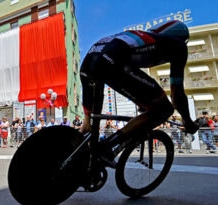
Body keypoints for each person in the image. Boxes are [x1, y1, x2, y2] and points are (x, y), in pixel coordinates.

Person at [79, 20, 198, 152]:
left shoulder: (142, 37)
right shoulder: (178, 45)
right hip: (111, 61)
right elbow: (177, 94)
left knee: (90, 125)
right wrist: (187, 121)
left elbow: (134, 82)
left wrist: (143, 103)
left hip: (90, 60)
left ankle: (82, 157)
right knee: (164, 109)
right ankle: (107, 148)